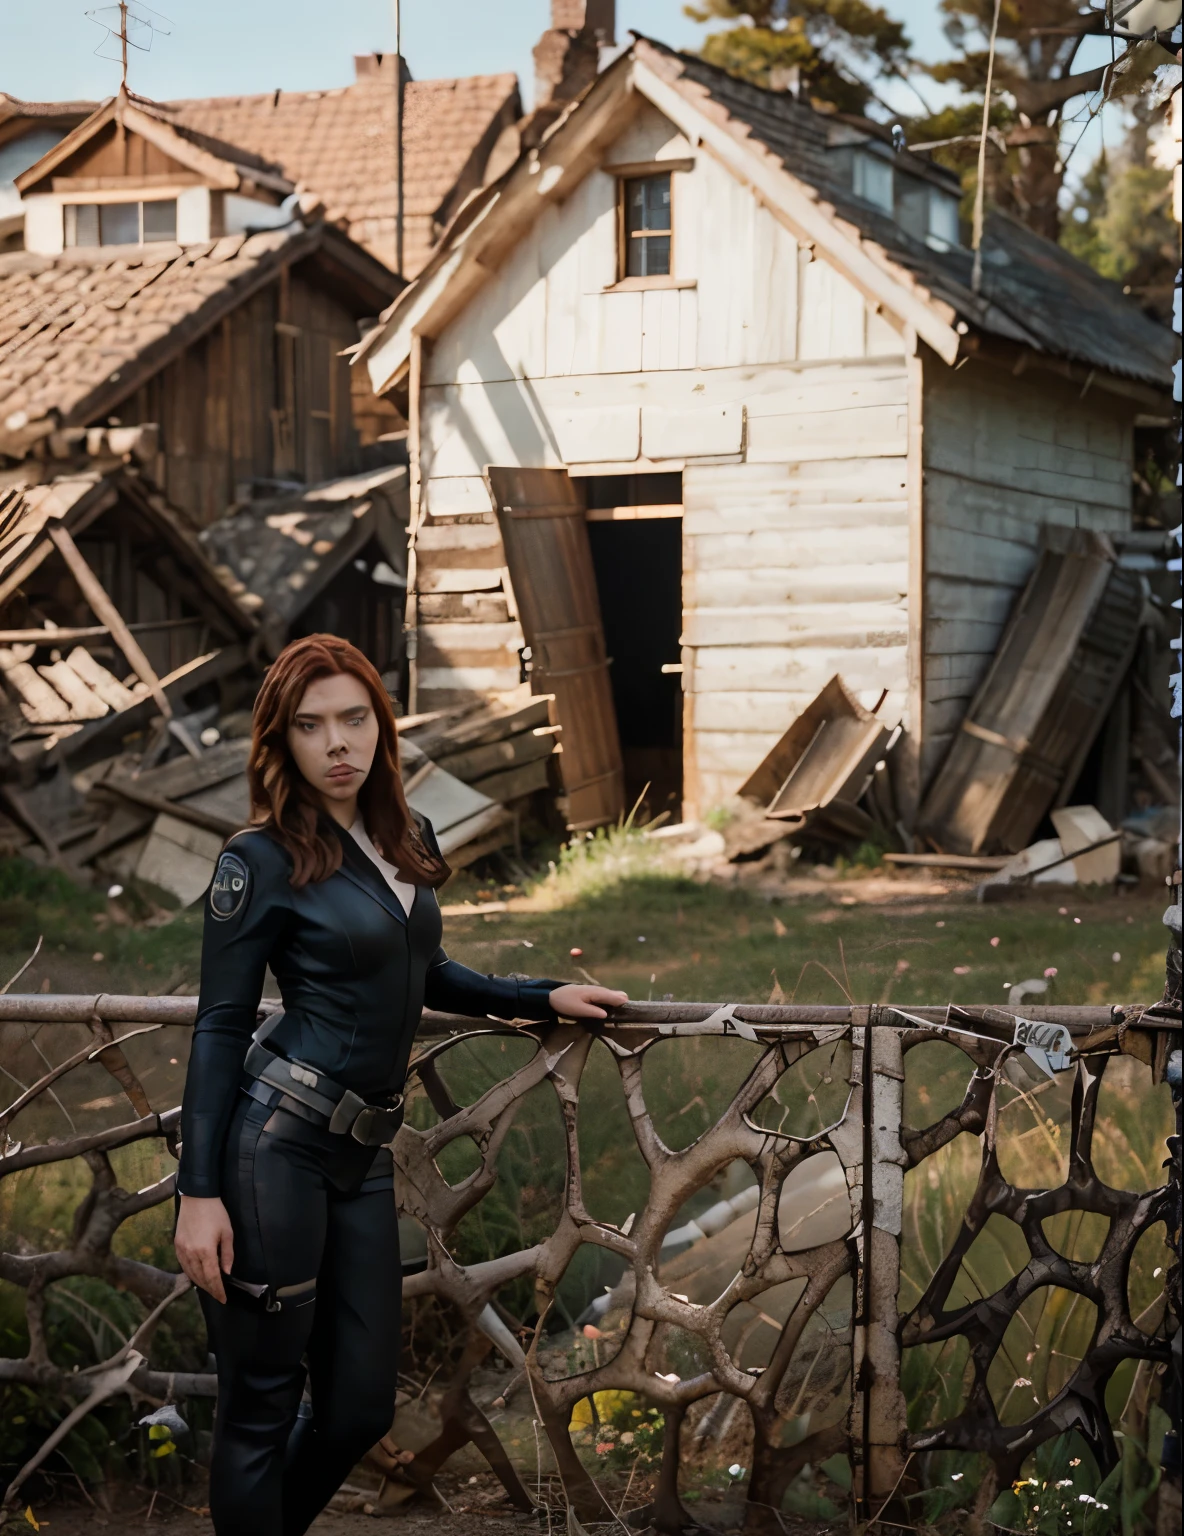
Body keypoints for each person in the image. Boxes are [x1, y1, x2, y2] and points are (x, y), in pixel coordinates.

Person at [173, 634, 626, 1536]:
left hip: (363, 1156)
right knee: (262, 1403)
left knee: (358, 1410)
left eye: (352, 719)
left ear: (380, 727)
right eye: (310, 726)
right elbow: (222, 1024)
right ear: (283, 741)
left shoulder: (405, 837)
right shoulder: (257, 860)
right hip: (275, 1149)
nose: (336, 743)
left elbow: (429, 971)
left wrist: (541, 995)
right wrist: (199, 1192)